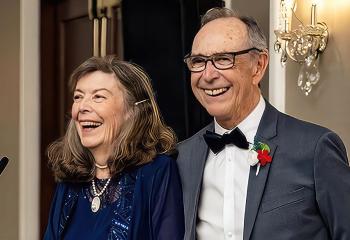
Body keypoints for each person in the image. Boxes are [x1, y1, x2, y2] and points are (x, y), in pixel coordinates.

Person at [177, 7, 350, 240]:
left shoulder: (315, 148)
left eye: (223, 59)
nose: (208, 75)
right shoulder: (181, 157)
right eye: (199, 61)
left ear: (258, 66)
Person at [44, 56, 184, 240]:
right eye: (78, 97)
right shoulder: (70, 182)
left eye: (98, 97)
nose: (82, 107)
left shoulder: (158, 172)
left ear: (133, 110)